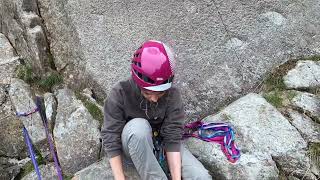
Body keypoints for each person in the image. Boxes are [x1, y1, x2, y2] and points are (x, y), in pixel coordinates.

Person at [101, 40, 212, 180]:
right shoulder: (120, 93)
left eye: (160, 93)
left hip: (160, 145)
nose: (154, 99)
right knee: (138, 128)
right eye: (147, 93)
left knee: (200, 176)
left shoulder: (172, 95)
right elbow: (111, 137)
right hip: (133, 149)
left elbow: (172, 137)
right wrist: (119, 177)